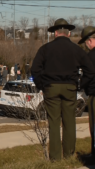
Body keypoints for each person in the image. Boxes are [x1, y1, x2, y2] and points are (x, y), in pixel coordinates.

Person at [31, 18, 95, 161]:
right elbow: (90, 70)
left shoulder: (45, 49)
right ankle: (69, 155)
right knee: (69, 122)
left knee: (54, 122)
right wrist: (80, 84)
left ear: (55, 33)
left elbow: (35, 70)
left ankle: (55, 158)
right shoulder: (76, 50)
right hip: (70, 87)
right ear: (69, 33)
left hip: (51, 88)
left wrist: (42, 85)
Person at [78, 26, 95, 160]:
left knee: (94, 126)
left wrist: (80, 85)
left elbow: (88, 76)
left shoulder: (90, 56)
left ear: (90, 41)